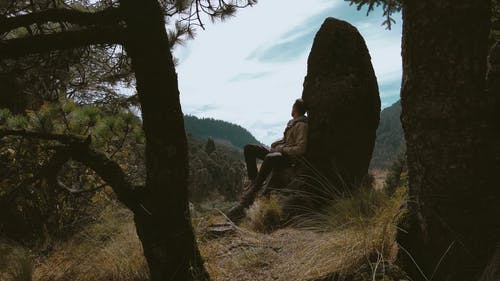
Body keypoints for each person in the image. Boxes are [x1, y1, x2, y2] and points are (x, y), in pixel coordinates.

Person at [227, 98, 308, 221]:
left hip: (289, 159)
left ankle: (254, 191)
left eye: (292, 107)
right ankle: (253, 180)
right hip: (279, 153)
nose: (291, 109)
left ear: (295, 109)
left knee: (270, 158)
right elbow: (285, 141)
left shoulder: (302, 125)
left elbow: (300, 149)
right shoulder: (292, 123)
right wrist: (276, 145)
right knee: (249, 148)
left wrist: (281, 149)